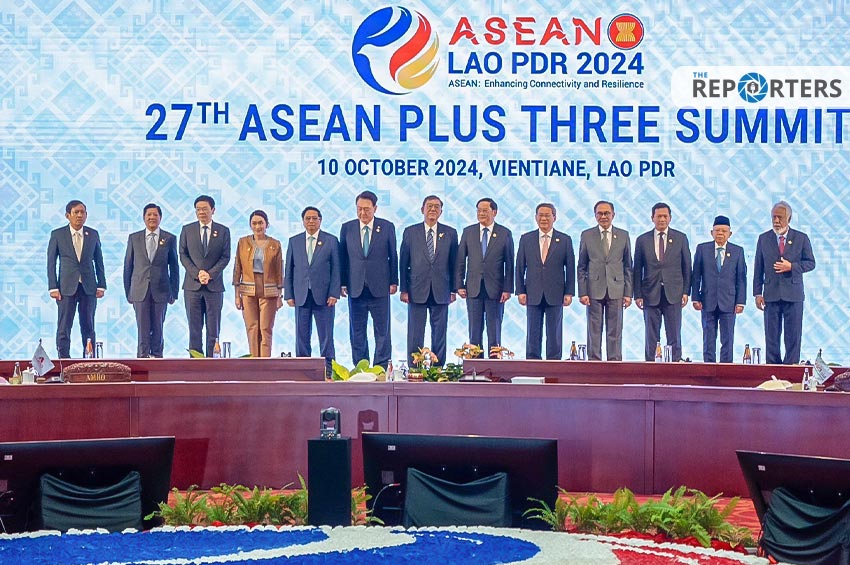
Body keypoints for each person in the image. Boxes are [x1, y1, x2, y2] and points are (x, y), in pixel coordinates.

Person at [339, 190, 398, 368]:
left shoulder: (386, 227)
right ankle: (360, 368)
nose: (362, 213)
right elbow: (343, 257)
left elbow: (393, 256)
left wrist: (394, 281)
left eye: (366, 209)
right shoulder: (347, 228)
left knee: (382, 331)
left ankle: (381, 367)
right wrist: (342, 283)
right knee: (357, 331)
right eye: (359, 209)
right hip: (355, 287)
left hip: (380, 287)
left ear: (375, 208)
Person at [753, 201, 816, 364]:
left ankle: (791, 370)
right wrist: (757, 293)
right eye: (773, 217)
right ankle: (773, 370)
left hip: (793, 295)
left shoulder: (801, 238)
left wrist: (792, 266)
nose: (776, 221)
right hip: (771, 295)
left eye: (780, 217)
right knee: (771, 337)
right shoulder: (763, 238)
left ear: (789, 218)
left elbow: (811, 263)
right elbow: (758, 267)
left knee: (793, 337)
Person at [399, 195, 458, 366]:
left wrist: (453, 289)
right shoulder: (410, 232)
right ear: (422, 210)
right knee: (415, 332)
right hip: (416, 289)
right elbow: (403, 262)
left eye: (436, 206)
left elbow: (454, 263)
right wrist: (404, 289)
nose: (433, 209)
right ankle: (414, 367)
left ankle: (438, 368)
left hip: (442, 289)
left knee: (440, 332)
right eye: (429, 206)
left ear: (441, 211)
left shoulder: (450, 233)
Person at [47, 200, 106, 358]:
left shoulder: (93, 234)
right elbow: (51, 262)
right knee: (64, 326)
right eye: (76, 212)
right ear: (68, 215)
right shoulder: (58, 234)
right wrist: (53, 287)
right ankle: (63, 360)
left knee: (88, 326)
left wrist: (101, 285)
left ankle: (89, 360)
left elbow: (99, 261)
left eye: (83, 212)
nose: (80, 215)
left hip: (88, 287)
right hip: (66, 288)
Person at [455, 197, 514, 357]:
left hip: (496, 290)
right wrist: (459, 285)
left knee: (494, 331)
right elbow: (461, 260)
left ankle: (494, 366)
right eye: (479, 210)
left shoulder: (504, 233)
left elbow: (509, 264)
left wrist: (508, 289)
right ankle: (476, 366)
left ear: (494, 212)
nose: (481, 213)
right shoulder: (468, 232)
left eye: (485, 210)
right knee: (474, 331)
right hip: (473, 288)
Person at [633, 202, 691, 362]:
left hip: (674, 294)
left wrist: (686, 292)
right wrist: (637, 294)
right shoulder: (642, 240)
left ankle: (675, 365)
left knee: (674, 335)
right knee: (651, 336)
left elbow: (687, 266)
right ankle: (651, 367)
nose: (662, 219)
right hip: (650, 293)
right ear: (652, 218)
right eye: (659, 216)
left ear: (670, 218)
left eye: (665, 216)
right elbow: (637, 269)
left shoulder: (680, 238)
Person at [515, 203, 574, 360]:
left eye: (547, 215)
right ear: (535, 218)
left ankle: (554, 366)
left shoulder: (565, 240)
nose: (544, 218)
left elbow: (570, 268)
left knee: (554, 334)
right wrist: (520, 291)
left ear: (554, 217)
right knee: (532, 333)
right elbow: (519, 266)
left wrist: (569, 292)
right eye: (540, 215)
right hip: (532, 292)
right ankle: (533, 364)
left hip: (556, 293)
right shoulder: (526, 239)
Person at [285, 206, 340, 372]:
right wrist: (288, 294)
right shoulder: (294, 241)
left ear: (320, 220)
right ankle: (303, 371)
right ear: (303, 221)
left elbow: (337, 269)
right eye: (307, 218)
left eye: (314, 218)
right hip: (301, 295)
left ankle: (329, 371)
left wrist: (334, 293)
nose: (311, 221)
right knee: (301, 336)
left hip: (324, 296)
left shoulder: (331, 240)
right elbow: (289, 269)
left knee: (326, 336)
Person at [577, 200, 633, 361]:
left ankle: (614, 363)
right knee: (594, 330)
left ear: (613, 215)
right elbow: (581, 266)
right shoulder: (587, 235)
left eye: (607, 213)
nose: (603, 216)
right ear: (595, 215)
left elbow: (628, 266)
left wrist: (628, 293)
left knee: (615, 330)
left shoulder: (623, 235)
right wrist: (582, 292)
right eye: (600, 213)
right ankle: (594, 362)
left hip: (617, 288)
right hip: (593, 289)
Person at [122, 203, 180, 358]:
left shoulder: (169, 238)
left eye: (155, 215)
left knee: (158, 328)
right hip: (139, 290)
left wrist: (174, 293)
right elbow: (128, 266)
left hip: (161, 290)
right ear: (143, 218)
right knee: (142, 328)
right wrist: (128, 292)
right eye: (149, 215)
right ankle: (142, 358)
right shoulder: (134, 238)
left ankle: (157, 359)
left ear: (160, 218)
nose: (152, 217)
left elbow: (174, 267)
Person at [179, 195, 231, 357]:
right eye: (198, 209)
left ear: (213, 210)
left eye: (205, 209)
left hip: (214, 286)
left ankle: (212, 362)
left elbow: (225, 257)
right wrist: (197, 273)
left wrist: (210, 274)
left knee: (213, 329)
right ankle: (195, 361)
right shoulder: (187, 230)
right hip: (192, 287)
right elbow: (183, 255)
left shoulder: (223, 231)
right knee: (194, 328)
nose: (201, 212)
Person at [691, 215, 747, 363]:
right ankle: (708, 369)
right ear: (712, 232)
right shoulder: (702, 249)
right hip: (707, 301)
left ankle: (726, 369)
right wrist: (695, 298)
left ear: (730, 233)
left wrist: (740, 301)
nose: (720, 233)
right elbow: (696, 275)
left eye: (724, 231)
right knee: (708, 339)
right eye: (717, 230)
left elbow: (741, 278)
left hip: (729, 301)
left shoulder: (737, 251)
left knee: (728, 339)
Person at [233, 210, 283, 357]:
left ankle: (265, 363)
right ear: (250, 225)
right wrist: (237, 296)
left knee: (265, 328)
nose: (257, 226)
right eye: (254, 223)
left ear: (267, 224)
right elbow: (237, 268)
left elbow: (279, 271)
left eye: (261, 223)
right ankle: (253, 362)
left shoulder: (275, 244)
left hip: (269, 291)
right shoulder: (242, 242)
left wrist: (280, 296)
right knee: (252, 328)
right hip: (248, 290)